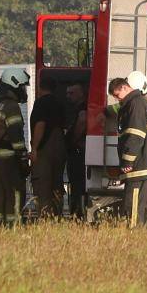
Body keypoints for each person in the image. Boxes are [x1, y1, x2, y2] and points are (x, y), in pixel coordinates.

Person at [111, 73, 147, 225]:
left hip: (138, 167)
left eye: (117, 95)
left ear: (125, 87)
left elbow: (135, 135)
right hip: (146, 166)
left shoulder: (134, 104)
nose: (117, 99)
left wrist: (127, 161)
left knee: (133, 205)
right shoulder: (141, 102)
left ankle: (135, 234)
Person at [0, 67, 30, 226]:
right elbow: (16, 136)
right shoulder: (10, 106)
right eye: (22, 86)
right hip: (10, 161)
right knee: (14, 197)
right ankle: (13, 228)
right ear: (14, 84)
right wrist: (23, 160)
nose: (24, 90)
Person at [28, 79, 69, 217]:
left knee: (43, 185)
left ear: (39, 88)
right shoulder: (60, 103)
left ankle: (46, 218)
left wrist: (34, 148)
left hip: (44, 149)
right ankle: (58, 215)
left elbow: (40, 124)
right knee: (56, 184)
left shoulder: (41, 102)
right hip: (59, 149)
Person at [64, 82, 88, 217]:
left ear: (81, 93)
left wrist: (73, 141)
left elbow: (83, 121)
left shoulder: (82, 108)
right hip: (78, 152)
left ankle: (78, 213)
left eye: (71, 93)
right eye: (67, 93)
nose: (68, 96)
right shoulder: (76, 108)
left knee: (78, 185)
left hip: (79, 153)